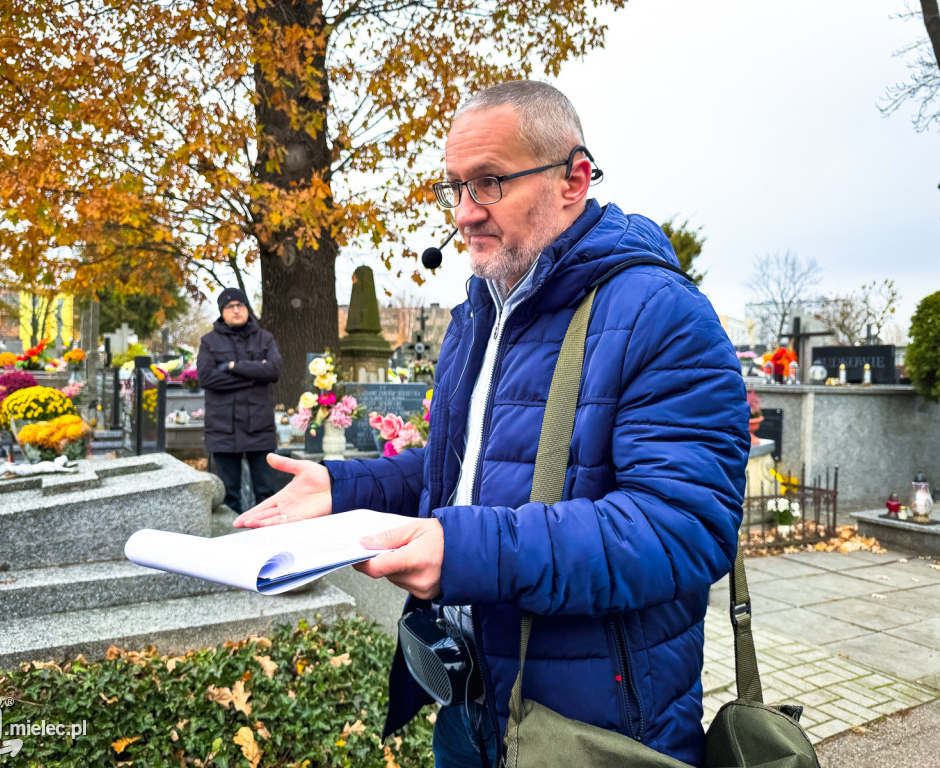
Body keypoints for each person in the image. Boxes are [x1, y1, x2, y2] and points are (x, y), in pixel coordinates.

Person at [235, 81, 748, 767]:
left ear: (575, 179)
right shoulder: (482, 309)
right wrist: (343, 488)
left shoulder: (662, 315)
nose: (464, 214)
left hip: (588, 729)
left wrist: (464, 550)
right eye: (453, 187)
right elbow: (468, 470)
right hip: (470, 708)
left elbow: (681, 528)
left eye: (489, 183)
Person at [197, 288, 283, 514]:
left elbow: (273, 370)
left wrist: (235, 367)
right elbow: (206, 377)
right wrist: (253, 377)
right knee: (227, 498)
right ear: (221, 312)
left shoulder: (265, 338)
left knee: (266, 493)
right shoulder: (209, 342)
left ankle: (268, 539)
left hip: (260, 430)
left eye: (240, 305)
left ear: (247, 308)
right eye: (229, 306)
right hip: (223, 430)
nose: (236, 310)